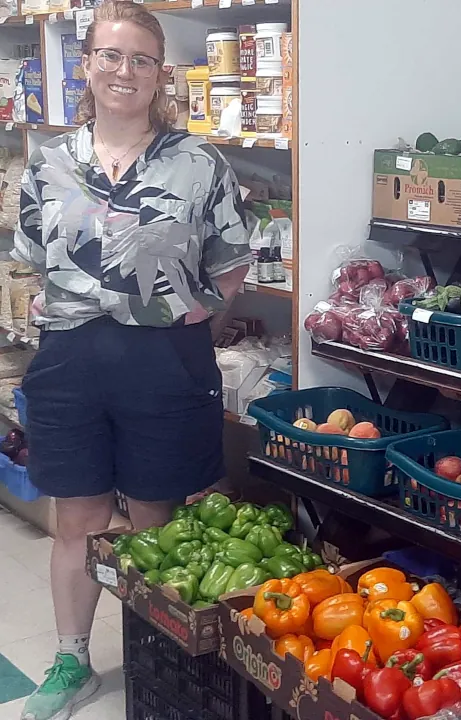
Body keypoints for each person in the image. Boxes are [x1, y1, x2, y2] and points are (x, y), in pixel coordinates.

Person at [12, 2, 251, 718]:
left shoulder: (199, 161)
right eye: (111, 56)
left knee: (158, 517)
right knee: (77, 515)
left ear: (160, 75)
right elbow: (30, 256)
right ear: (87, 64)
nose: (125, 71)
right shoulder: (50, 161)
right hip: (69, 363)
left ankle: (162, 661)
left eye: (141, 59)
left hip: (164, 364)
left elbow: (233, 263)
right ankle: (71, 661)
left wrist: (190, 314)